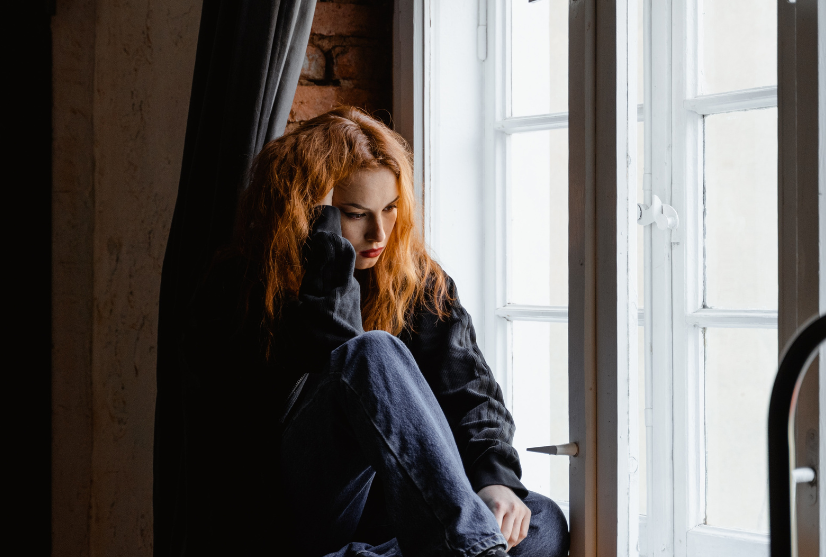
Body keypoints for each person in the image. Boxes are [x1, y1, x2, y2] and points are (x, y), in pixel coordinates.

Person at [188, 107, 568, 557]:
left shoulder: (415, 277)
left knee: (538, 518)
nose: (380, 232)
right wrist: (326, 258)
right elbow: (249, 441)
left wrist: (495, 480)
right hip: (299, 513)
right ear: (306, 214)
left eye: (390, 209)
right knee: (369, 353)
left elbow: (469, 392)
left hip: (401, 519)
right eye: (353, 213)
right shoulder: (244, 284)